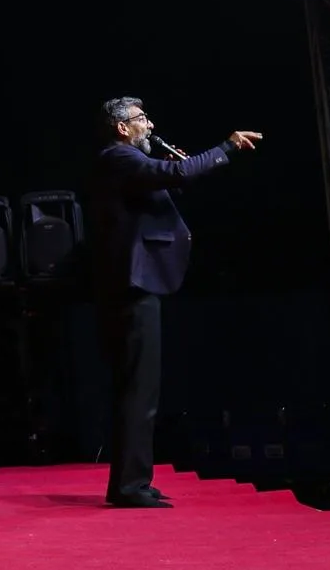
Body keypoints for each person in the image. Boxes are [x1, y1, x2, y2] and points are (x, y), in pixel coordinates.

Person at [86, 97, 260, 508]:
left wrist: (175, 171)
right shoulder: (119, 157)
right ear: (122, 128)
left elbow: (170, 180)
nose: (149, 124)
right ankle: (129, 486)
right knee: (138, 390)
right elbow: (178, 172)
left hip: (136, 284)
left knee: (141, 389)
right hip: (132, 285)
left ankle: (133, 482)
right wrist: (227, 147)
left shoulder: (127, 162)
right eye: (141, 119)